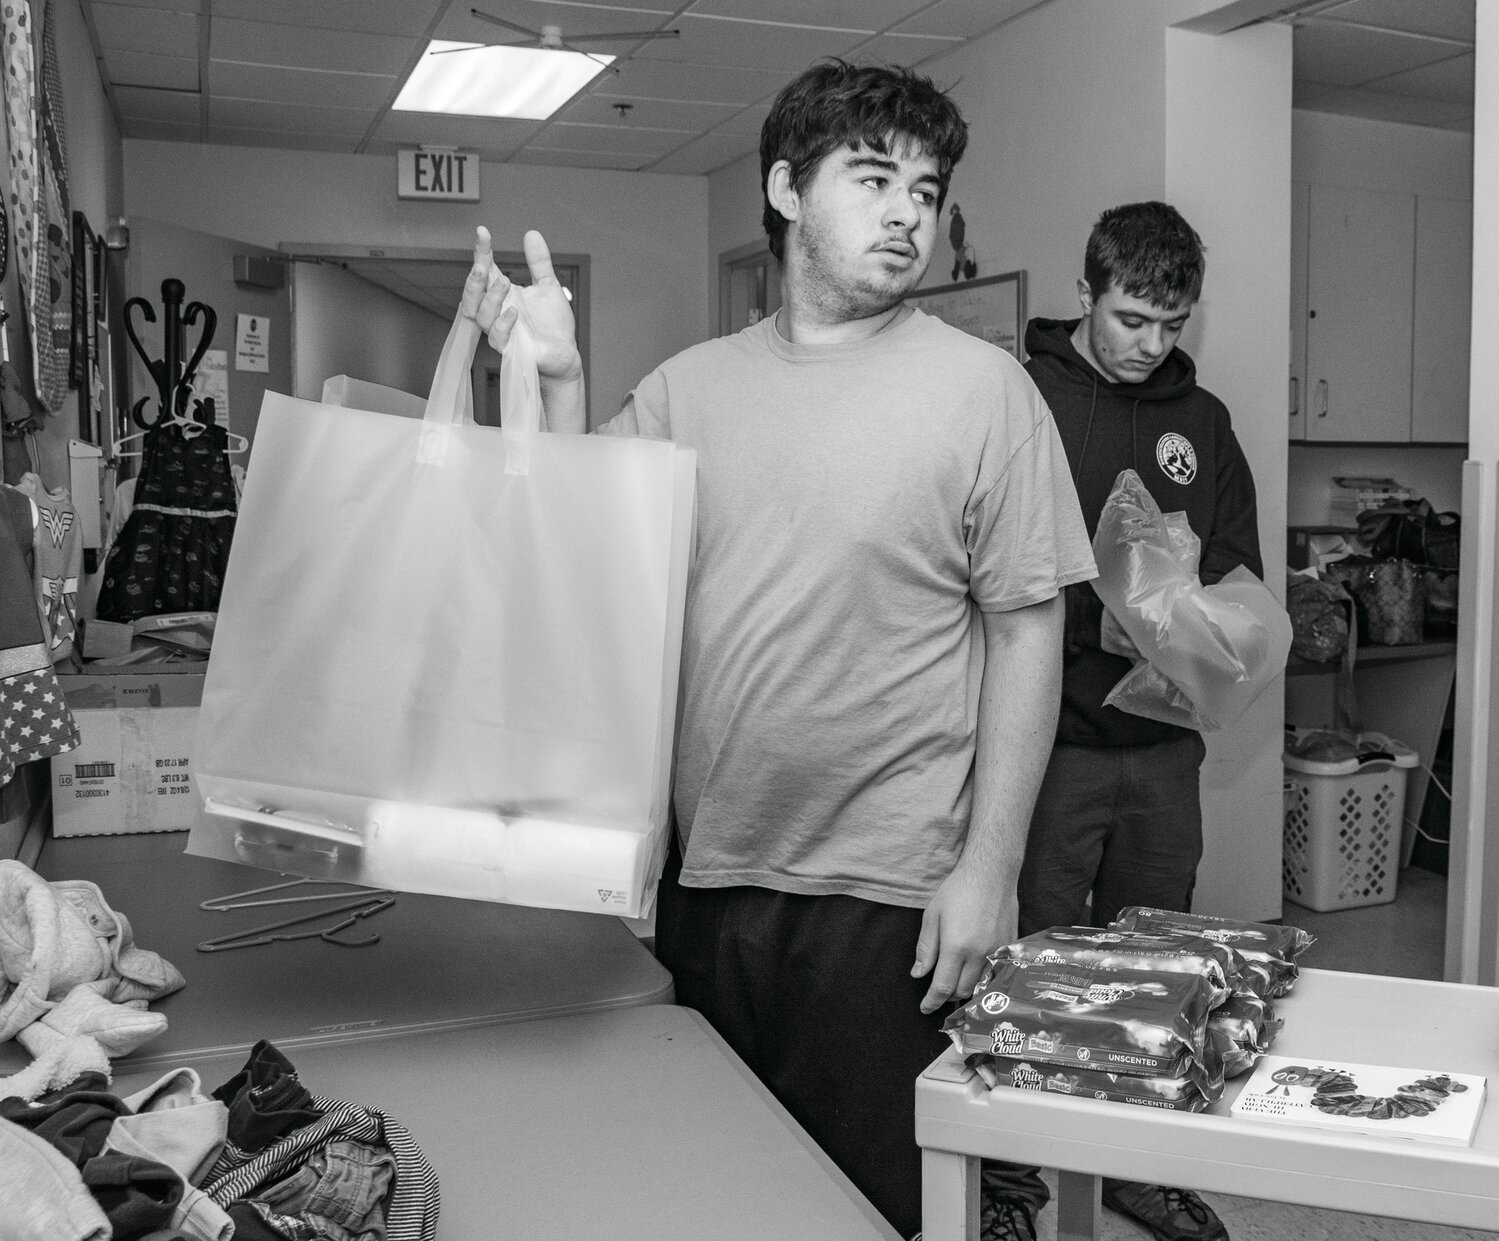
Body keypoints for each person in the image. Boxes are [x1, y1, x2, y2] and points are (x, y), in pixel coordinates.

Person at [462, 58, 1095, 1241]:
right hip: (709, 874)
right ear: (786, 189)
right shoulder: (688, 388)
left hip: (885, 892)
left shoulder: (986, 391)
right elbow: (574, 543)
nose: (910, 209)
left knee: (873, 1201)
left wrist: (990, 867)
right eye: (873, 177)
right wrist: (559, 380)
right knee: (721, 1188)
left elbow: (1027, 628)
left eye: (927, 185)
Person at [983, 201, 1262, 1241]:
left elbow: (1236, 573)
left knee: (1155, 969)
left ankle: (1134, 1166)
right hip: (1044, 742)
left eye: (1170, 323)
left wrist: (1176, 620)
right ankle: (1008, 1184)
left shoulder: (1206, 419)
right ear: (1088, 290)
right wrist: (1119, 616)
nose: (1151, 343)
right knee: (1035, 969)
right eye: (1133, 317)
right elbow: (994, 574)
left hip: (1159, 750)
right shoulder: (1021, 400)